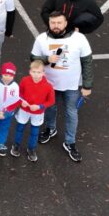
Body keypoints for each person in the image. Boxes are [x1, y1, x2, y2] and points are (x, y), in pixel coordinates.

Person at [31, 11, 94, 163]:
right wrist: (46, 59)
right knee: (50, 108)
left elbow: (87, 62)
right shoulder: (42, 39)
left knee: (71, 113)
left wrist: (87, 85)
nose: (56, 26)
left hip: (71, 85)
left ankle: (70, 142)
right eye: (53, 23)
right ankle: (50, 129)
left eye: (59, 22)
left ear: (66, 23)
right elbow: (33, 58)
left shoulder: (79, 38)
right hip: (49, 84)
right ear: (49, 23)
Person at [10, 60, 56, 162]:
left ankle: (31, 149)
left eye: (39, 72)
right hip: (24, 110)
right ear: (30, 71)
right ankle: (16, 146)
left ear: (43, 73)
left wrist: (40, 106)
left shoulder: (48, 86)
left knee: (34, 132)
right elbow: (19, 94)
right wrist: (21, 102)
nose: (36, 74)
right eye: (34, 72)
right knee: (19, 128)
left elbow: (51, 101)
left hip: (38, 113)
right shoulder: (24, 80)